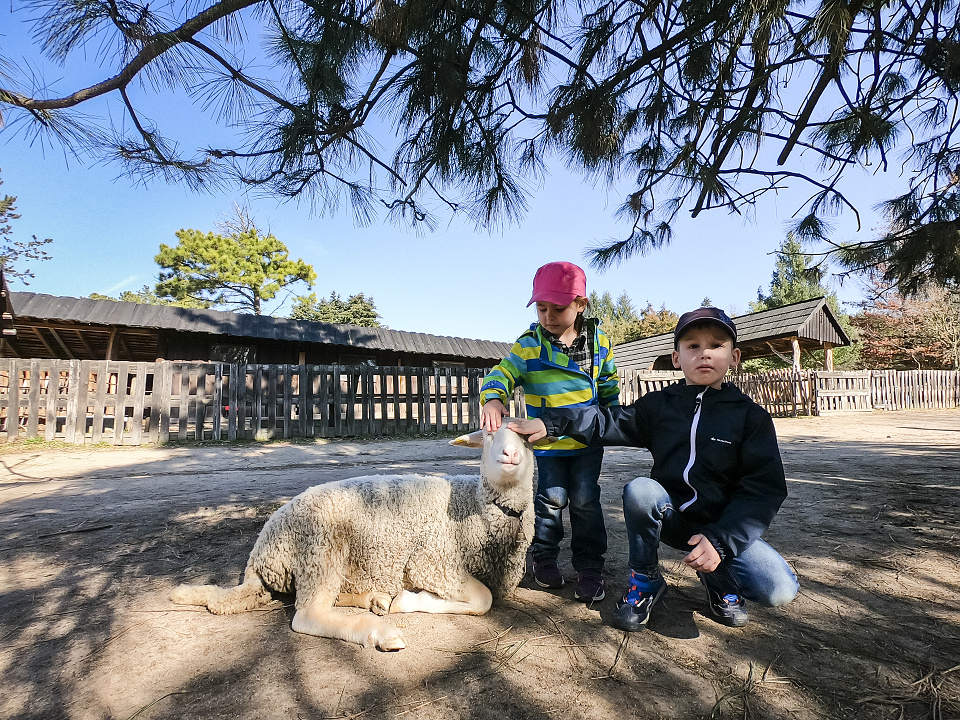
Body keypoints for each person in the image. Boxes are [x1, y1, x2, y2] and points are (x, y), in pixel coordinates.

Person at [509, 307, 799, 631]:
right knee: (640, 490)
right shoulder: (661, 405)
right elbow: (606, 419)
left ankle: (718, 576)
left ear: (735, 356)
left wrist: (720, 541)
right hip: (672, 518)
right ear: (676, 358)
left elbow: (763, 490)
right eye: (692, 346)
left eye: (716, 345)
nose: (704, 353)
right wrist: (549, 422)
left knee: (779, 589)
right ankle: (645, 580)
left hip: (720, 530)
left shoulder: (752, 418)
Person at [480, 261, 620, 603]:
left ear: (580, 305)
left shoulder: (599, 343)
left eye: (557, 308)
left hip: (587, 441)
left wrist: (612, 421)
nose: (548, 316)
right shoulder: (529, 345)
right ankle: (543, 557)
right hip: (547, 442)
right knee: (551, 499)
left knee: (586, 501)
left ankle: (589, 567)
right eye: (541, 308)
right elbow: (503, 371)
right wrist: (494, 398)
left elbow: (609, 388)